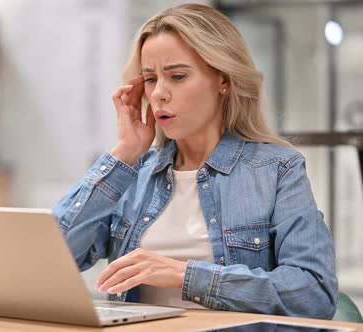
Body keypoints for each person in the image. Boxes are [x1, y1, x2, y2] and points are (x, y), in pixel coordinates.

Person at [53, 3, 337, 319]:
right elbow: (52, 259)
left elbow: (313, 294)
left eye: (177, 76)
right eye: (150, 79)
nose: (159, 93)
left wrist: (185, 275)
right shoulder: (134, 173)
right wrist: (124, 152)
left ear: (224, 80)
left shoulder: (277, 169)